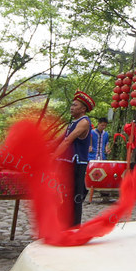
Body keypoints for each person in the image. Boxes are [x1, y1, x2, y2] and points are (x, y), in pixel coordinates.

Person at [54, 91, 94, 226]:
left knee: (74, 196)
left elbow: (67, 142)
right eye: (71, 105)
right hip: (67, 163)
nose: (71, 107)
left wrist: (52, 157)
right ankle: (62, 223)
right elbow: (58, 141)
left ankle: (73, 226)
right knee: (64, 194)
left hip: (77, 164)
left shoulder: (84, 122)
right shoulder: (72, 123)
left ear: (83, 109)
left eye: (75, 105)